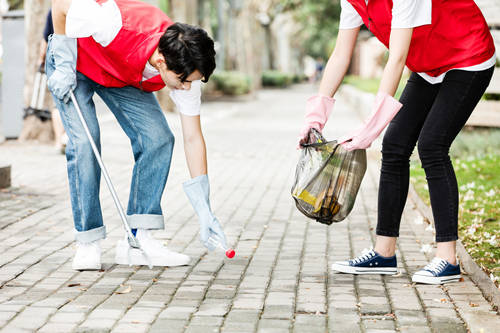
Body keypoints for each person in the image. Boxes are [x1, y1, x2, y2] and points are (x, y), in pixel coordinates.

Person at [299, 0, 495, 284]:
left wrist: (371, 126)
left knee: (432, 145)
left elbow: (397, 57)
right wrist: (315, 117)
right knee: (394, 146)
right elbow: (341, 55)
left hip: (467, 55)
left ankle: (447, 258)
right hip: (429, 65)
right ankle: (384, 252)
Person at [48, 0, 228, 270]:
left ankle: (138, 239)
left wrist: (204, 209)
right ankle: (88, 241)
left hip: (120, 75)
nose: (188, 87)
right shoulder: (111, 23)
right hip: (76, 62)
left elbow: (193, 138)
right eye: (184, 81)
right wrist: (62, 61)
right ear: (161, 62)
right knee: (85, 142)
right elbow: (60, 5)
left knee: (159, 138)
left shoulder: (185, 66)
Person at [39, 9, 68, 153]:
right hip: (74, 61)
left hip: (55, 61)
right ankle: (64, 136)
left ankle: (59, 140)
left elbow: (45, 39)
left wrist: (41, 60)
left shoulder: (53, 10)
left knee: (57, 105)